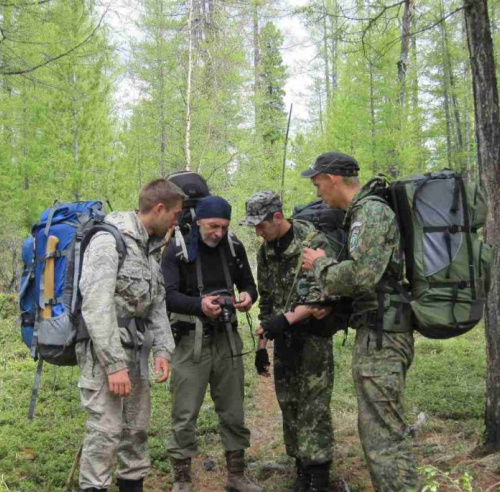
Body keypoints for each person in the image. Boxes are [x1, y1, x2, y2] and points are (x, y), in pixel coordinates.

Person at [300, 152, 419, 491]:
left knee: (385, 438)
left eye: (317, 181)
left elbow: (363, 276)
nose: (317, 190)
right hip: (377, 330)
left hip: (384, 336)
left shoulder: (371, 213)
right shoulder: (362, 214)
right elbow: (374, 278)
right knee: (379, 432)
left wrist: (320, 265)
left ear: (333, 179)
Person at [77, 179, 183, 492]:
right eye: (175, 214)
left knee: (136, 429)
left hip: (136, 352)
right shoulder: (110, 239)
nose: (177, 221)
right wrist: (113, 365)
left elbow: (156, 301)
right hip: (104, 354)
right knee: (105, 430)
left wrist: (163, 349)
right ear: (159, 208)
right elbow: (95, 306)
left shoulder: (149, 247)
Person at [241, 190, 340, 492]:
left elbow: (322, 295)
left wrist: (287, 319)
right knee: (289, 402)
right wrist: (262, 346)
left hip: (313, 336)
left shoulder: (312, 243)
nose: (258, 232)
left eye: (261, 225)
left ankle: (319, 472)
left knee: (314, 404)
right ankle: (301, 468)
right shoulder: (265, 251)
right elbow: (268, 300)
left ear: (278, 217)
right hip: (284, 340)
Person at [162, 195, 261, 492]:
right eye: (213, 226)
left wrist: (247, 296)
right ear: (199, 220)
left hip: (227, 339)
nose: (218, 233)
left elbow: (249, 283)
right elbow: (167, 295)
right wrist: (199, 305)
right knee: (184, 413)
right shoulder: (177, 249)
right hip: (190, 341)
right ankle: (182, 479)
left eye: (224, 226)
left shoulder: (233, 247)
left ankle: (236, 475)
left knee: (233, 410)